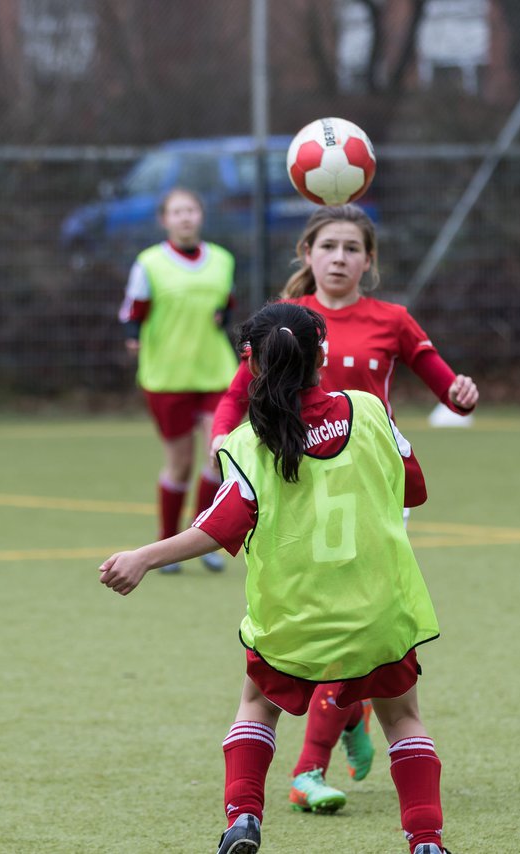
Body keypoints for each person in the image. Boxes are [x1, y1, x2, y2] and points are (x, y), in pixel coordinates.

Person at [99, 302, 452, 854]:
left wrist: (144, 556)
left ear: (252, 365)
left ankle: (243, 819)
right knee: (404, 719)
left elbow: (218, 529)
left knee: (257, 706)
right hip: (381, 615)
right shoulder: (370, 411)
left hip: (294, 620)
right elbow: (415, 490)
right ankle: (426, 842)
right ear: (325, 354)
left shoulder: (246, 444)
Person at [208, 205, 478, 814]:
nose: (338, 258)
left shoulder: (391, 319)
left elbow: (447, 388)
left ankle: (311, 763)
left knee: (353, 627)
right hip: (298, 487)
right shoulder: (287, 324)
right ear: (306, 253)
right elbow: (236, 396)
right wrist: (224, 443)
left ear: (368, 261)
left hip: (366, 485)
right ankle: (328, 745)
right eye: (327, 246)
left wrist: (460, 392)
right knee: (342, 630)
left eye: (351, 248)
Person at [118, 187, 237, 573]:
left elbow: (227, 305)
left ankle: (202, 537)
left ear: (201, 216)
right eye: (177, 212)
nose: (185, 217)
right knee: (180, 465)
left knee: (217, 456)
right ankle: (167, 541)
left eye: (191, 210)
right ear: (164, 220)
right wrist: (133, 336)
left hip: (216, 372)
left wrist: (223, 318)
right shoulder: (150, 262)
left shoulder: (223, 260)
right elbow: (134, 309)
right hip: (167, 377)